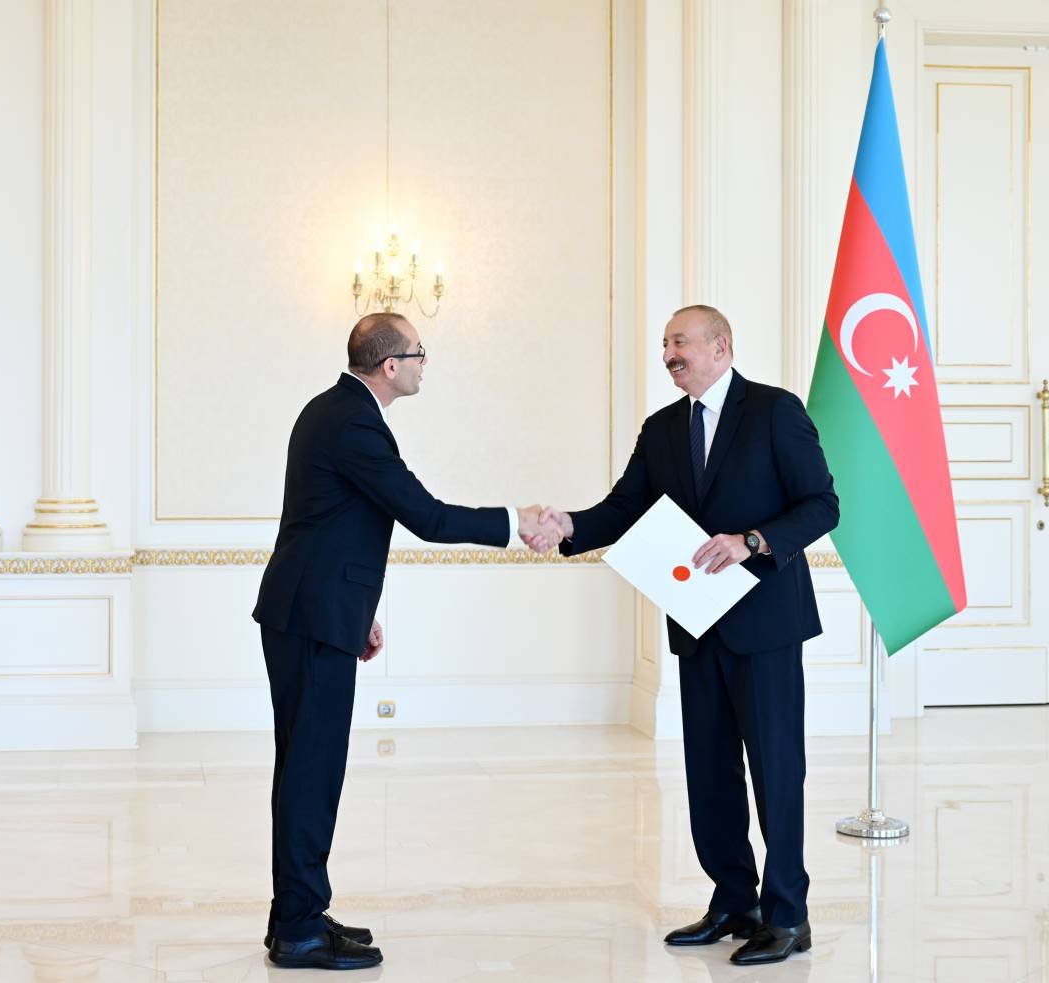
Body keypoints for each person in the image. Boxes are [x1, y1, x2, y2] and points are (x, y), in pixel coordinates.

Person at [252, 312, 561, 970]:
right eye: (420, 353)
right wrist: (518, 521)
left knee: (307, 767)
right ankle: (299, 929)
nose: (425, 364)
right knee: (311, 771)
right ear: (391, 365)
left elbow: (332, 524)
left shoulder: (336, 411)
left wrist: (356, 612)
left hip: (316, 610)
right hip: (311, 616)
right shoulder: (354, 422)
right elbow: (426, 516)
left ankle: (298, 912)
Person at [541, 304, 838, 966]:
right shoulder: (663, 428)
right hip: (696, 623)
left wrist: (752, 541)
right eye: (665, 344)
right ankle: (734, 901)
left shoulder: (775, 411)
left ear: (721, 346)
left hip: (765, 625)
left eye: (681, 341)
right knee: (709, 771)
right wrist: (568, 527)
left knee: (776, 770)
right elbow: (624, 508)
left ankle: (788, 915)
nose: (670, 354)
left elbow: (822, 504)